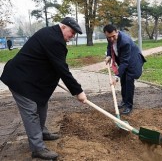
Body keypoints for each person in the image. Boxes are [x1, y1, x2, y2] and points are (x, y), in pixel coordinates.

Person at [0, 17, 87, 160]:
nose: (73, 36)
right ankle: (37, 148)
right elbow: (62, 68)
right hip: (20, 80)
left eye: (75, 34)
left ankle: (41, 132)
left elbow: (51, 63)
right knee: (31, 112)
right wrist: (78, 91)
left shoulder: (51, 34)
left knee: (42, 104)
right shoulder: (54, 39)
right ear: (63, 27)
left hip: (31, 78)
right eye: (72, 32)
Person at [104, 24, 146, 115]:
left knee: (128, 82)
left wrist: (116, 76)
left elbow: (125, 62)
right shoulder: (110, 38)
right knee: (123, 81)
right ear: (106, 35)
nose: (111, 39)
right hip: (123, 61)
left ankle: (129, 105)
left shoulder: (124, 42)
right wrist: (108, 55)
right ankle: (124, 101)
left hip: (133, 62)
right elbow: (109, 46)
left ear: (117, 32)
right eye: (109, 37)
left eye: (113, 36)